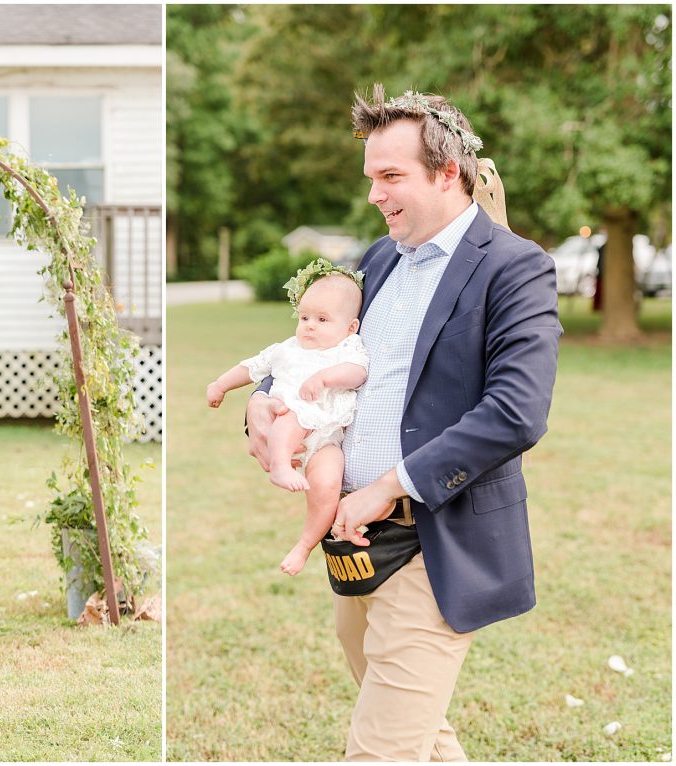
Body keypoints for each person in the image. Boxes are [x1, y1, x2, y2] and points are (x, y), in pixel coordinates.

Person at [247, 85, 561, 760]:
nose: (374, 196)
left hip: (439, 544)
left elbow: (517, 412)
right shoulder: (382, 256)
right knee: (421, 736)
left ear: (448, 172)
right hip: (357, 548)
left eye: (391, 177)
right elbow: (323, 340)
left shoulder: (515, 267)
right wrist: (264, 394)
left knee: (380, 749)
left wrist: (388, 484)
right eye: (371, 178)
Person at [207, 265, 368, 574]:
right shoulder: (287, 350)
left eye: (322, 320)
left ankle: (304, 545)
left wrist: (325, 378)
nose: (309, 326)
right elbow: (251, 367)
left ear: (350, 327)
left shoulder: (349, 348)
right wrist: (220, 385)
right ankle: (280, 467)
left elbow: (358, 373)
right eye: (304, 317)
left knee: (328, 483)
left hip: (326, 440)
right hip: (289, 422)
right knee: (290, 413)